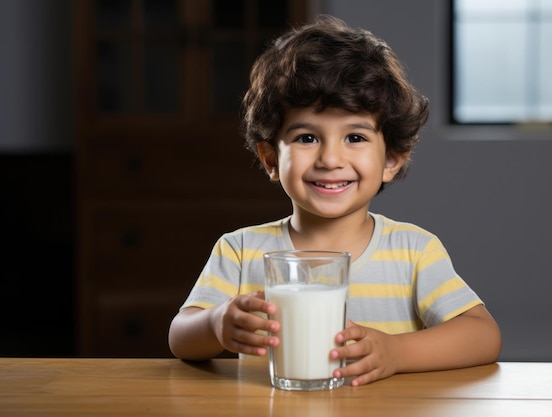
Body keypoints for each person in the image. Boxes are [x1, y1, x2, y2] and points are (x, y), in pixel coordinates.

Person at [168, 15, 501, 387]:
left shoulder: (414, 251)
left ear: (391, 159)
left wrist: (395, 352)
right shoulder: (241, 250)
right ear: (271, 159)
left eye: (355, 138)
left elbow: (483, 335)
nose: (330, 159)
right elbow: (180, 337)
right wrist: (216, 324)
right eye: (307, 138)